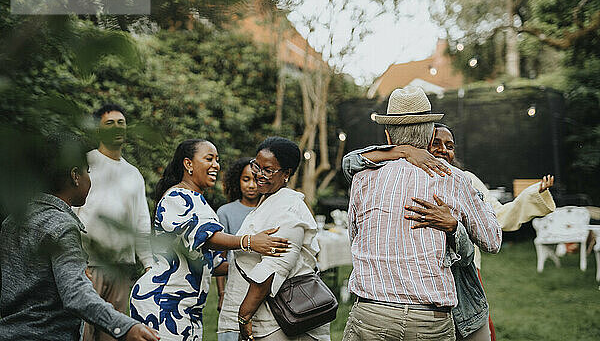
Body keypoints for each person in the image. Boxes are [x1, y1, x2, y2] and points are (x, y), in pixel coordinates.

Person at [343, 122, 555, 340]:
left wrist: (454, 225)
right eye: (436, 143)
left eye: (450, 145)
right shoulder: (389, 174)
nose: (444, 149)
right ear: (421, 145)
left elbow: (495, 219)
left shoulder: (462, 180)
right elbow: (350, 161)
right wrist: (403, 151)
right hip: (408, 298)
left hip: (459, 284)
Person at [341, 87, 502, 341]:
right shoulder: (454, 179)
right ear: (430, 135)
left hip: (372, 313)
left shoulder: (362, 178)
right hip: (430, 320)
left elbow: (354, 237)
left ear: (387, 135)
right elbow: (492, 240)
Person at [0, 132, 159, 341]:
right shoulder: (62, 226)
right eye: (88, 171)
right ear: (75, 176)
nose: (89, 178)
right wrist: (125, 327)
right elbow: (76, 294)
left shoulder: (11, 222)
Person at [130, 139, 289, 341]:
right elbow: (207, 237)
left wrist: (260, 264)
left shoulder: (198, 200)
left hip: (186, 307)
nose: (216, 165)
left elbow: (211, 263)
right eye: (209, 159)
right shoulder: (177, 197)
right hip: (163, 302)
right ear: (188, 164)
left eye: (217, 159)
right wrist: (249, 241)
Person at [218, 136, 331, 341]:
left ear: (286, 174)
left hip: (281, 321)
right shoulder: (268, 199)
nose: (258, 175)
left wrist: (244, 316)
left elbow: (272, 269)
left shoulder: (288, 208)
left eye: (268, 170)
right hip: (271, 319)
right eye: (256, 166)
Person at [73, 104, 154, 341]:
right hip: (88, 267)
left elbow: (140, 221)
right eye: (110, 123)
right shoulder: (86, 163)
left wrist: (148, 263)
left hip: (121, 269)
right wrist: (76, 261)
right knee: (84, 333)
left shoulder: (134, 174)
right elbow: (70, 212)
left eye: (121, 123)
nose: (117, 128)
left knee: (115, 333)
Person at [216, 157, 260, 317]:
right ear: (237, 181)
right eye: (246, 179)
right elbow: (220, 258)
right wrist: (222, 294)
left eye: (255, 180)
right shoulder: (225, 212)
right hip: (235, 284)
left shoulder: (269, 209)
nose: (251, 185)